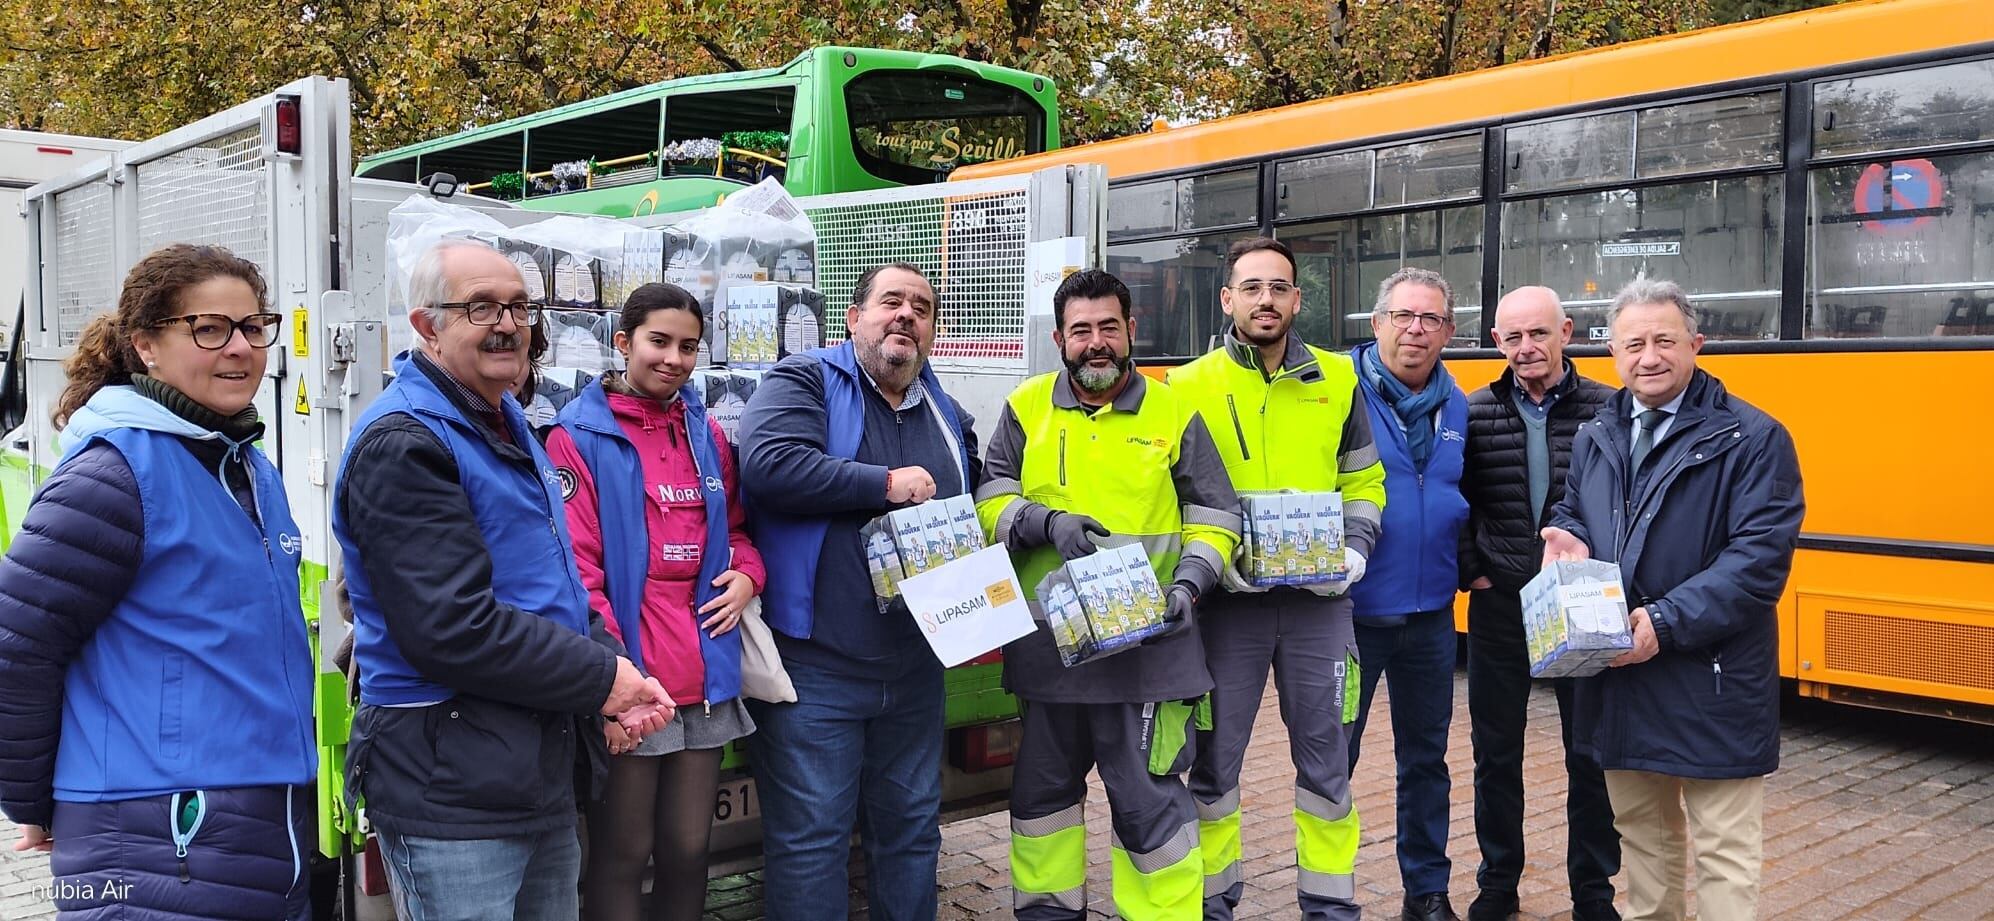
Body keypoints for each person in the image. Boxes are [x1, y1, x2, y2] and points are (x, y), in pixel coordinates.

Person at [333, 239, 673, 921]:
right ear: (427, 326)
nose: (509, 325)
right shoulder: (405, 442)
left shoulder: (502, 417)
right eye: (481, 308)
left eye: (519, 307)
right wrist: (601, 680)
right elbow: (452, 626)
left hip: (525, 765)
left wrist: (612, 669)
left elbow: (553, 584)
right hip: (450, 783)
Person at [0, 244, 315, 919]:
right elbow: (18, 643)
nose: (240, 347)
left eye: (253, 326)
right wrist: (30, 800)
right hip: (155, 841)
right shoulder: (113, 477)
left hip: (260, 833)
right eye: (209, 329)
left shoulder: (247, 466)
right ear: (146, 346)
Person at [978, 268, 1241, 921]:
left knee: (1152, 812)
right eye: (1080, 330)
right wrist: (1044, 522)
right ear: (1060, 339)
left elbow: (1216, 516)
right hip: (1048, 659)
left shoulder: (1174, 411)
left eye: (1107, 327)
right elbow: (990, 500)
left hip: (1149, 653)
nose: (1095, 343)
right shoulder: (1026, 406)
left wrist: (1191, 583)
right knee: (1042, 809)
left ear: (1131, 330)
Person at [1544, 279, 1803, 921]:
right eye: (1634, 344)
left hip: (1713, 679)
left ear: (1696, 344)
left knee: (1724, 852)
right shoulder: (1598, 433)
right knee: (1644, 844)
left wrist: (1662, 621)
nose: (1650, 357)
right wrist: (1567, 537)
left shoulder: (1754, 438)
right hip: (1622, 679)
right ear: (1613, 353)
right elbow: (1575, 509)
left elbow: (1757, 562)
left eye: (1665, 340)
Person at [736, 262, 978, 921]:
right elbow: (769, 464)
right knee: (812, 842)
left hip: (915, 665)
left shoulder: (942, 405)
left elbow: (976, 487)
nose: (907, 316)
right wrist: (884, 484)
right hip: (818, 668)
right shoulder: (805, 378)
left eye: (922, 308)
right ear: (853, 317)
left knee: (911, 831)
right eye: (891, 301)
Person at [1167, 237, 1387, 920]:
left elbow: (1364, 481)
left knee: (1328, 764)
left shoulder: (1338, 379)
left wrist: (1355, 550)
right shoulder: (1186, 385)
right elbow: (1172, 495)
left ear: (1297, 299)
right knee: (1214, 763)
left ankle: (1329, 905)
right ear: (1227, 298)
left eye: (1279, 287)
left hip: (1320, 605)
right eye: (1252, 287)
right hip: (1227, 606)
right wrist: (1212, 560)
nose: (1266, 299)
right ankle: (1213, 901)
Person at [545, 283, 765, 921]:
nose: (674, 359)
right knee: (622, 852)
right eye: (658, 342)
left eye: (688, 347)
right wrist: (613, 679)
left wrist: (748, 577)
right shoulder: (577, 437)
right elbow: (577, 572)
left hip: (705, 673)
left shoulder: (706, 433)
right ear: (623, 342)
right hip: (632, 675)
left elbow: (737, 531)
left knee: (689, 850)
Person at [1459, 286, 1619, 921]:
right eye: (1514, 337)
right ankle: (1498, 882)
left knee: (1589, 752)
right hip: (1500, 606)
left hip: (1580, 603)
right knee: (1496, 754)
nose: (1527, 347)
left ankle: (1593, 892)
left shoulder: (1610, 409)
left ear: (1566, 333)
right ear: (1497, 342)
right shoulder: (1474, 412)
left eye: (1540, 333)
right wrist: (1475, 573)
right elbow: (1457, 502)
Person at [1348, 267, 1471, 921]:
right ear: (1378, 324)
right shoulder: (1338, 392)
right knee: (1332, 759)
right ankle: (1325, 890)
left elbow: (1467, 498)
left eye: (1431, 319)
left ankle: (1427, 891)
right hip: (1351, 615)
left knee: (1426, 760)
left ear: (1447, 331)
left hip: (1430, 619)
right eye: (1403, 316)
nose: (1416, 330)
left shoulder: (1459, 405)